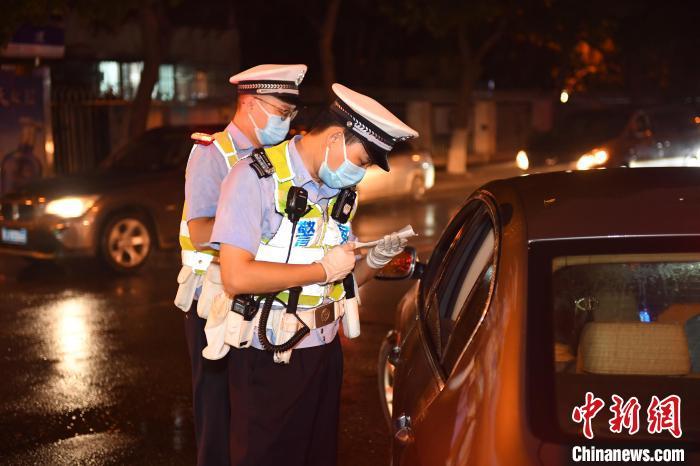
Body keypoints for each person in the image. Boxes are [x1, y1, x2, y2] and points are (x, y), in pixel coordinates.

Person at [204, 83, 418, 466]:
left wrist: (374, 261)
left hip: (323, 352)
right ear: (336, 137)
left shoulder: (337, 194)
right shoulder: (254, 180)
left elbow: (340, 282)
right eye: (362, 159)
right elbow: (236, 276)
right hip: (269, 356)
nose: (360, 172)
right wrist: (320, 268)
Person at [173, 63, 307, 466]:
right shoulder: (212, 153)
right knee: (216, 410)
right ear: (250, 104)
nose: (285, 122)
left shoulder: (275, 158)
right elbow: (198, 230)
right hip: (211, 298)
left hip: (252, 295)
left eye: (290, 115)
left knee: (250, 408)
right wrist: (253, 226)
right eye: (280, 112)